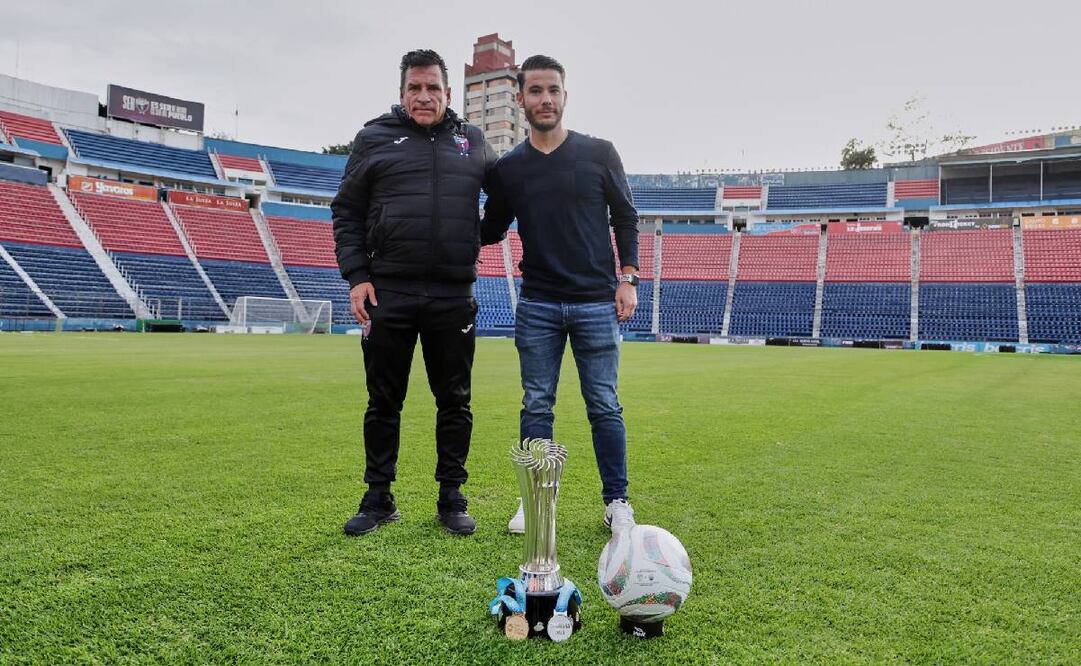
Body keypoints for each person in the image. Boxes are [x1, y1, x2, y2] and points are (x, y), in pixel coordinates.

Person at [332, 49, 494, 536]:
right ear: (402, 92)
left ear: (448, 92)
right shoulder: (374, 138)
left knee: (455, 400)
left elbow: (507, 195)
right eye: (415, 88)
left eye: (434, 88)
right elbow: (347, 212)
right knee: (383, 401)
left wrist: (480, 235)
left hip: (452, 293)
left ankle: (451, 497)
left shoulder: (473, 140)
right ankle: (378, 498)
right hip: (389, 292)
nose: (424, 96)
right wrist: (357, 275)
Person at [481, 55, 640, 532]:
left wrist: (628, 277)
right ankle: (536, 503)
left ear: (564, 96)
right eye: (535, 91)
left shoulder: (599, 153)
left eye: (553, 90)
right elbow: (489, 230)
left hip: (596, 302)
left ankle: (617, 502)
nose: (545, 99)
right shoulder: (509, 169)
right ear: (521, 99)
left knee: (605, 405)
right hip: (538, 304)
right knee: (536, 405)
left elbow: (626, 217)